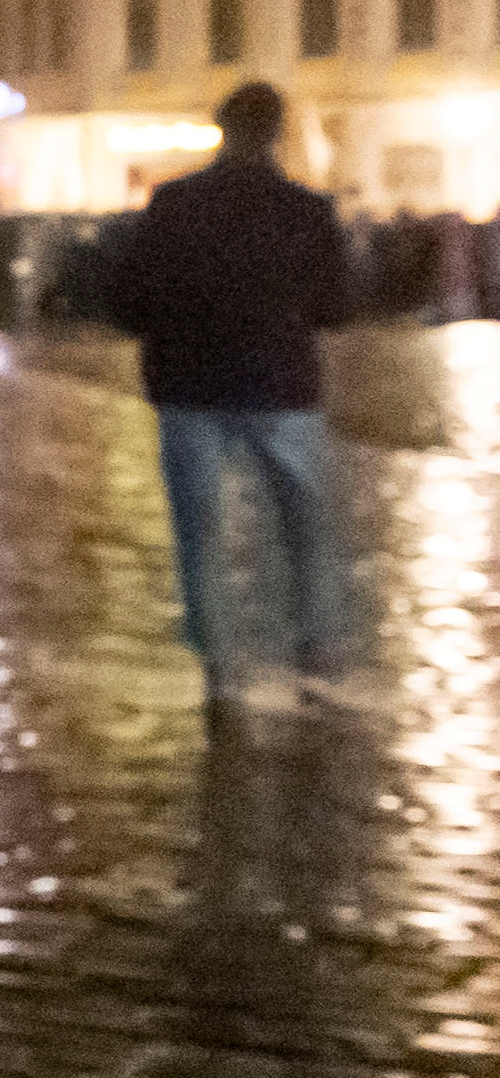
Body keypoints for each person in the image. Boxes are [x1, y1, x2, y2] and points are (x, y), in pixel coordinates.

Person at [110, 80, 360, 709]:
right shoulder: (308, 211)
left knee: (201, 532)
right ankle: (317, 659)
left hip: (192, 387)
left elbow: (131, 297)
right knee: (305, 528)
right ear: (278, 132)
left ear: (220, 129)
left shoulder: (173, 205)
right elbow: (337, 307)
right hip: (282, 387)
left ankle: (223, 671)